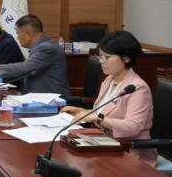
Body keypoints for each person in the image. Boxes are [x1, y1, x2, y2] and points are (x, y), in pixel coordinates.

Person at [61, 31, 155, 166]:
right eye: (100, 56)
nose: (102, 61)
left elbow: (133, 127)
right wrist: (80, 111)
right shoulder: (109, 80)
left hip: (129, 152)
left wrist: (96, 118)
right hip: (104, 144)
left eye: (108, 57)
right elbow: (103, 113)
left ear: (126, 58)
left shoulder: (138, 88)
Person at [0, 15, 70, 95]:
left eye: (18, 33)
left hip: (53, 101)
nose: (17, 37)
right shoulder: (39, 48)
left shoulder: (47, 48)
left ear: (27, 35)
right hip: (37, 98)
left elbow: (26, 68)